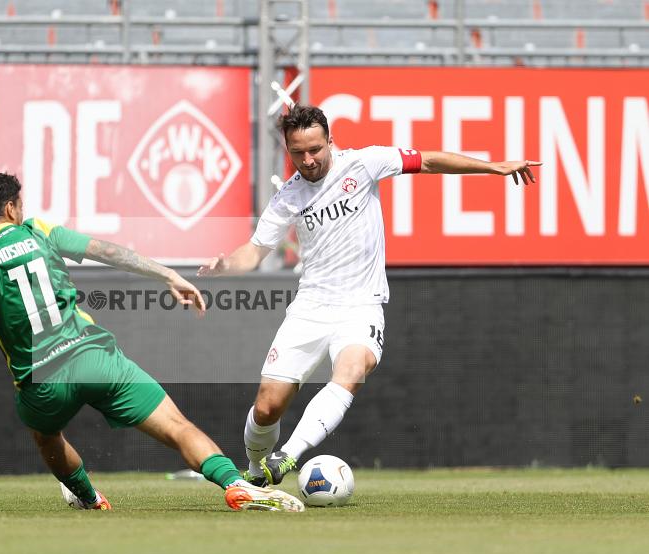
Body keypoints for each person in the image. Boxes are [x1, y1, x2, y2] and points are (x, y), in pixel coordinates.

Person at [0, 173, 304, 513]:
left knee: (46, 436)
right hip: (94, 357)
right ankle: (234, 484)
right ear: (13, 207)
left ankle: (90, 499)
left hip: (41, 381)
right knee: (177, 427)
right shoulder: (37, 231)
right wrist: (169, 274)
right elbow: (107, 252)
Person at [199, 104, 541, 487]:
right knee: (267, 406)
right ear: (288, 150)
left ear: (331, 141)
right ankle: (253, 473)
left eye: (315, 149)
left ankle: (288, 457)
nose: (308, 160)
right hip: (311, 307)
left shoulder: (364, 164)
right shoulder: (288, 198)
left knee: (352, 370)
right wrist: (226, 265)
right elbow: (256, 250)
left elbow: (428, 161)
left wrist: (492, 166)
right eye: (298, 152)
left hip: (361, 306)